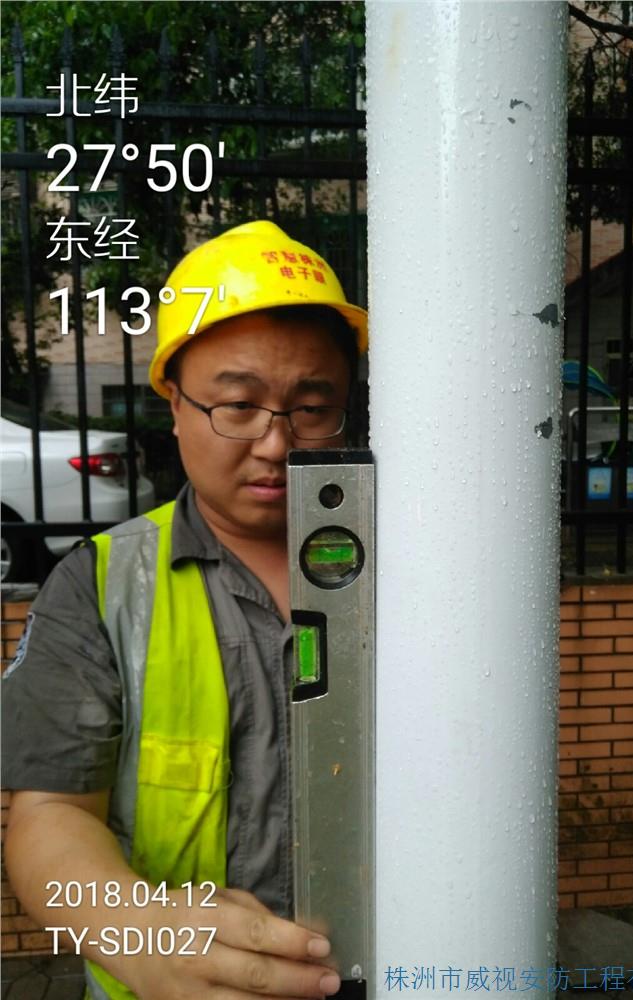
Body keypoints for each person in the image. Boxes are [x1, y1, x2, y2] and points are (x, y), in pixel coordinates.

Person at [2, 220, 368, 1000]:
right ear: (174, 402)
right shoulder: (101, 585)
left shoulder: (421, 575)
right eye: (237, 405)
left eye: (312, 407)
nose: (276, 445)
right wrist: (139, 934)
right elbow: (49, 813)